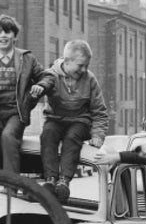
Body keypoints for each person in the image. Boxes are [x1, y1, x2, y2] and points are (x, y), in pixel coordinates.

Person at [35, 40, 109, 203]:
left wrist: (97, 135)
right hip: (55, 119)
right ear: (66, 61)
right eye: (80, 65)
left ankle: (64, 181)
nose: (83, 70)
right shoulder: (51, 75)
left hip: (80, 120)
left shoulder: (89, 79)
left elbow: (99, 111)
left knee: (72, 137)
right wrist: (38, 90)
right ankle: (50, 179)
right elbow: (41, 86)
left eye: (86, 66)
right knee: (48, 134)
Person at [0, 15, 45, 174]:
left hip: (16, 112)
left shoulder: (27, 58)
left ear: (15, 36)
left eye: (8, 32)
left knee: (8, 137)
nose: (3, 36)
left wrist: (40, 86)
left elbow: (45, 76)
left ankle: (10, 186)